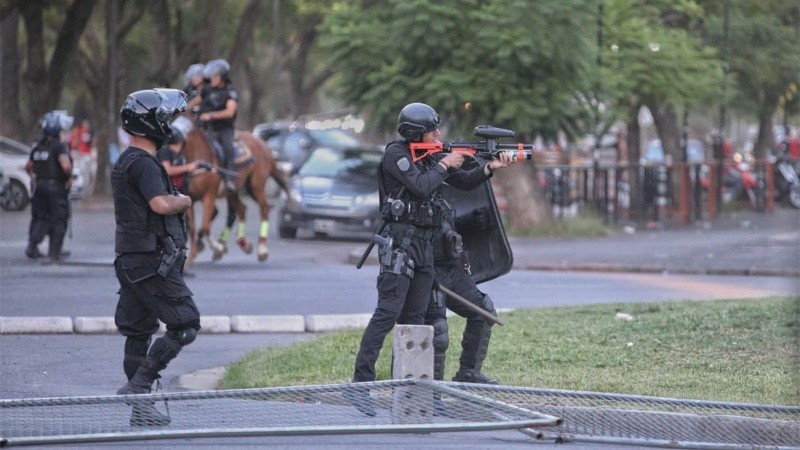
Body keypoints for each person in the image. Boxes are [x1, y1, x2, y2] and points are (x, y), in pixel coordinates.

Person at [349, 103, 511, 414]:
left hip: (424, 245)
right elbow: (420, 186)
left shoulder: (433, 154)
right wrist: (446, 164)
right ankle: (359, 385)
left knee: (419, 320)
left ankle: (415, 392)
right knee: (386, 314)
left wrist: (489, 167)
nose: (438, 134)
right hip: (399, 244)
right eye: (432, 129)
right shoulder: (395, 154)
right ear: (414, 132)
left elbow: (463, 181)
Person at [112, 88, 200, 427]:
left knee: (139, 331)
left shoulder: (125, 160)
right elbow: (161, 204)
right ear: (152, 124)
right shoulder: (146, 164)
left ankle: (141, 411)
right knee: (186, 323)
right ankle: (139, 387)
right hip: (150, 263)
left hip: (130, 260)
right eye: (167, 118)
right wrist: (185, 200)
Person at [424, 221, 501, 384]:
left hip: (452, 268)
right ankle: (433, 389)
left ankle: (469, 373)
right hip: (428, 271)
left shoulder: (445, 197)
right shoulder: (413, 195)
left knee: (484, 311)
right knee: (438, 330)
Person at [24, 110, 74, 262]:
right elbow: (65, 166)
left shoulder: (38, 147)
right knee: (59, 219)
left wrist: (35, 178)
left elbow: (28, 166)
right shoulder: (58, 146)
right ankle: (54, 252)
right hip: (56, 188)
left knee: (41, 218)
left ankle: (32, 247)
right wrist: (69, 177)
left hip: (39, 187)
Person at [188, 58, 238, 191]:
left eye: (215, 76)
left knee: (228, 149)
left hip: (224, 129)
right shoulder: (207, 90)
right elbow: (195, 102)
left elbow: (230, 112)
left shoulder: (230, 92)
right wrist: (183, 107)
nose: (212, 78)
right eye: (211, 76)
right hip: (206, 128)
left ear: (223, 76)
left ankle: (229, 179)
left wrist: (210, 115)